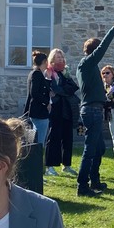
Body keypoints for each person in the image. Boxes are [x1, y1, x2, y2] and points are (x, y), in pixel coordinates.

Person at [75, 19, 114, 196]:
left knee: (99, 148)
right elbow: (102, 48)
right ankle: (82, 186)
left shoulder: (88, 67)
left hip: (94, 110)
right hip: (91, 111)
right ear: (93, 52)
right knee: (90, 149)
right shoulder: (87, 63)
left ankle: (95, 181)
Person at [45, 48, 79, 176]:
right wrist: (62, 91)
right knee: (54, 137)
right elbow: (53, 88)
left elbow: (73, 87)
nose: (61, 60)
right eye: (58, 57)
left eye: (62, 57)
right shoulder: (49, 72)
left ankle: (67, 165)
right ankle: (50, 166)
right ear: (52, 59)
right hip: (56, 109)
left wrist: (61, 91)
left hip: (67, 109)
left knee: (68, 138)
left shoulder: (65, 73)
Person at [23, 50, 51, 146]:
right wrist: (46, 102)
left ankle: (32, 159)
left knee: (32, 141)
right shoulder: (36, 74)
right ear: (44, 62)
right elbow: (34, 93)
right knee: (39, 142)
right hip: (39, 112)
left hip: (35, 111)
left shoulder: (35, 73)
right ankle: (37, 160)